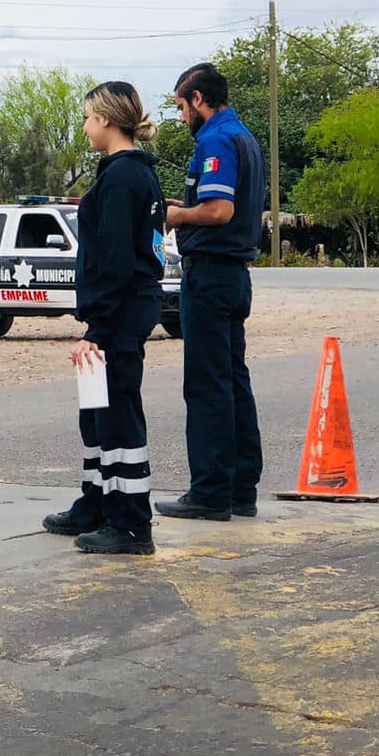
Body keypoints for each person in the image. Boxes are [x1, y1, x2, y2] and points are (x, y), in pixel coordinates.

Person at [42, 82, 164, 555]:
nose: (87, 127)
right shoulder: (131, 174)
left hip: (119, 313)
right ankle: (96, 501)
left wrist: (97, 328)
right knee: (95, 415)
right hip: (121, 309)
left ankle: (131, 523)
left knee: (117, 416)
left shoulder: (122, 178)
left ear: (109, 120)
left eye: (90, 118)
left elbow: (114, 259)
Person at [155, 63, 265, 523]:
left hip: (212, 274)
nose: (181, 117)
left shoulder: (215, 140)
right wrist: (189, 208)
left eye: (182, 106)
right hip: (234, 274)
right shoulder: (246, 138)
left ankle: (210, 492)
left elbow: (219, 210)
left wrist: (177, 217)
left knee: (206, 384)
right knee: (233, 380)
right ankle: (241, 488)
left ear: (199, 99)